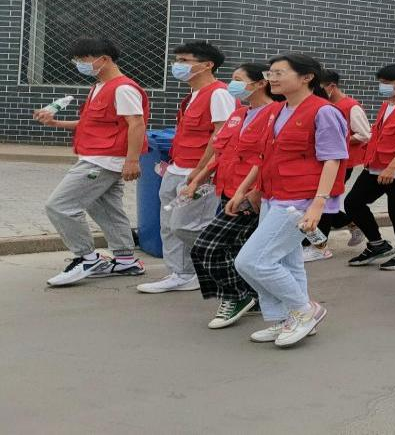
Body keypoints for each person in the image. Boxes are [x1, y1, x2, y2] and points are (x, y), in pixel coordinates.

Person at [232, 54, 346, 347]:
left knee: (252, 261)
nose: (272, 78)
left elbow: (332, 159)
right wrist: (250, 190)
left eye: (280, 73)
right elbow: (266, 156)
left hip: (300, 199)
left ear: (307, 77)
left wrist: (319, 204)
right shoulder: (277, 110)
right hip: (273, 195)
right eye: (270, 73)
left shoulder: (323, 111)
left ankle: (305, 310)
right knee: (287, 261)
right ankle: (287, 318)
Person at [40, 37, 150, 287]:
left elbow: (136, 123)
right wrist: (55, 122)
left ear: (105, 59)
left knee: (59, 206)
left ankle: (87, 258)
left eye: (83, 60)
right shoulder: (99, 87)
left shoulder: (123, 88)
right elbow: (90, 124)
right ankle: (125, 261)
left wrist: (132, 160)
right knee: (105, 208)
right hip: (97, 156)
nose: (80, 64)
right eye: (77, 60)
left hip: (103, 161)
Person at [138, 41, 237, 294]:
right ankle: (180, 273)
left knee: (188, 225)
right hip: (176, 167)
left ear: (207, 65)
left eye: (184, 61)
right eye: (177, 60)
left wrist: (202, 171)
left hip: (197, 172)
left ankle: (219, 265)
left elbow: (221, 136)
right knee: (169, 225)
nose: (177, 66)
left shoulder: (219, 94)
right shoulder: (192, 95)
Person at [188, 63, 282, 328]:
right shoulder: (239, 113)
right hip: (227, 190)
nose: (232, 85)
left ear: (260, 83)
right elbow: (222, 152)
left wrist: (254, 191)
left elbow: (268, 158)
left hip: (248, 196)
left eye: (238, 79)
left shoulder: (276, 114)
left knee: (206, 247)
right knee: (237, 248)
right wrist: (198, 178)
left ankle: (236, 297)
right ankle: (254, 296)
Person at [346, 64, 395, 269]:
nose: (382, 86)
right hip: (376, 167)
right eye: (381, 82)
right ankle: (377, 244)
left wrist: (392, 166)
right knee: (353, 202)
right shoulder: (387, 104)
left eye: (387, 82)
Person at [300, 70, 371, 262]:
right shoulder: (321, 105)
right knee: (318, 201)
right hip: (321, 161)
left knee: (324, 200)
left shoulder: (350, 106)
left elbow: (365, 134)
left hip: (340, 162)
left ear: (331, 86)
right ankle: (351, 222)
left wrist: (336, 139)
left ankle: (319, 245)